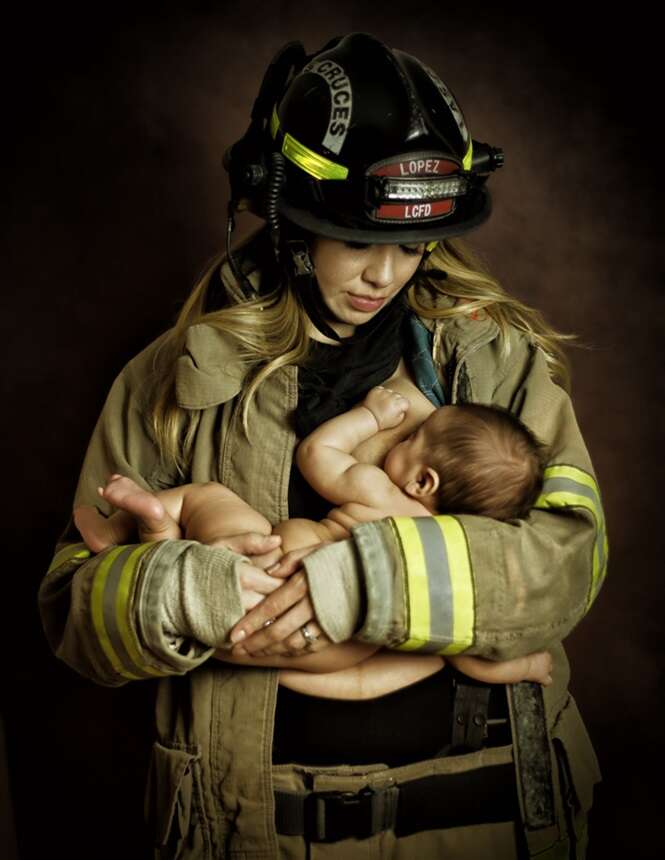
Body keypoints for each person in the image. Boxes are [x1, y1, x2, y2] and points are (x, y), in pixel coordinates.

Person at [38, 32, 605, 859]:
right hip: (253, 828)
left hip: (490, 821)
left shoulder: (494, 360)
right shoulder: (173, 380)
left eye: (409, 248)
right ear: (291, 224)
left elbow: (569, 561)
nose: (384, 276)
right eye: (358, 243)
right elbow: (72, 613)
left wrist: (363, 581)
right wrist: (193, 591)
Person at [73, 387, 554, 693]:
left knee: (209, 497)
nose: (400, 441)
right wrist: (528, 664)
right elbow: (473, 662)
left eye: (412, 441)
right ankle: (247, 654)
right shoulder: (449, 563)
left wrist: (371, 416)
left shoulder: (380, 491)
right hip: (337, 650)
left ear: (423, 483)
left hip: (265, 571)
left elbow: (316, 452)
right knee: (395, 670)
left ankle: (138, 525)